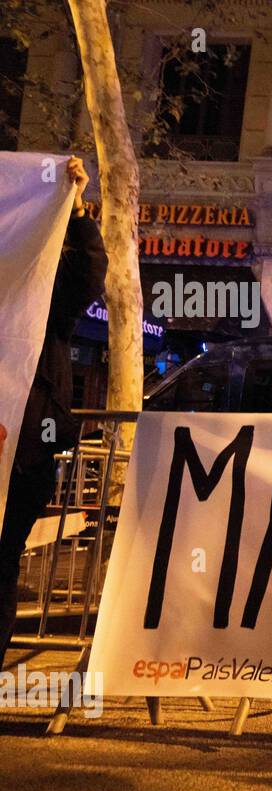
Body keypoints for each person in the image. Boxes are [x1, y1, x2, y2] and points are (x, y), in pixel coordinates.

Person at [0, 157, 107, 668]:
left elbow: (88, 273)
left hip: (23, 457)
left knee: (1, 565)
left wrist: (77, 210)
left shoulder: (48, 303)